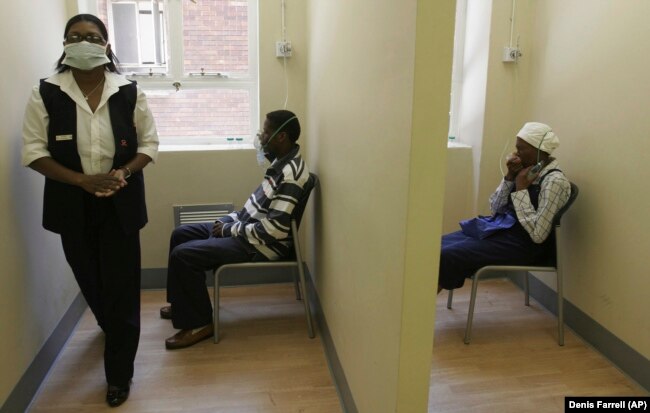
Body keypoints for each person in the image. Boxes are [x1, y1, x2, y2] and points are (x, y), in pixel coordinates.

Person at [21, 14, 159, 408]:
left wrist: (122, 173)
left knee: (121, 285)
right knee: (90, 277)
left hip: (121, 199)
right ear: (65, 45)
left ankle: (119, 374)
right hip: (71, 203)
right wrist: (82, 180)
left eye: (93, 36)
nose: (84, 41)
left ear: (106, 45)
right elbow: (33, 152)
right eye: (76, 36)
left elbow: (149, 144)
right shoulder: (46, 92)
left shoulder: (129, 91)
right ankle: (111, 325)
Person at [161, 109, 310, 350]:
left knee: (184, 255)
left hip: (262, 244)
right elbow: (251, 209)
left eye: (265, 132)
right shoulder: (280, 166)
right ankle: (183, 305)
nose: (261, 137)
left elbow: (275, 230)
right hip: (249, 232)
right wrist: (226, 220)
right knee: (180, 234)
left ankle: (199, 323)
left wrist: (230, 230)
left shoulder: (291, 175)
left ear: (281, 137)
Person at [438, 122, 571, 293]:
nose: (516, 154)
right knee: (437, 247)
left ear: (540, 151)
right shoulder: (524, 172)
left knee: (447, 256)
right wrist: (510, 178)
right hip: (501, 230)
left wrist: (521, 189)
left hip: (525, 246)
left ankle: (418, 316)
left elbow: (538, 235)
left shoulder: (554, 182)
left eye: (521, 149)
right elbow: (495, 208)